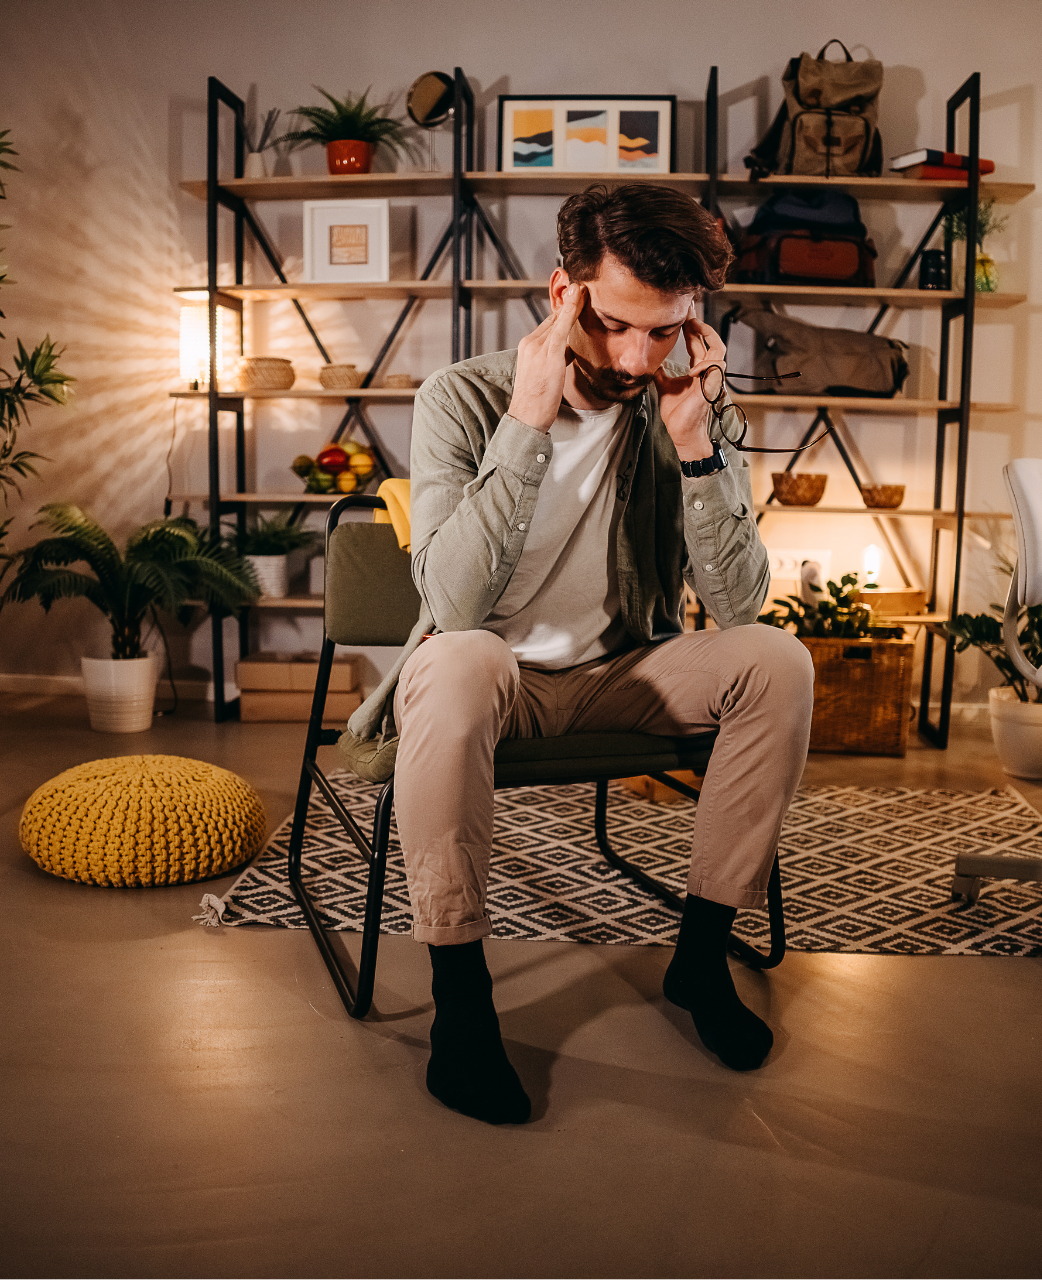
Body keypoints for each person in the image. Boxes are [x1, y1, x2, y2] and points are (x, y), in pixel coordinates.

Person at [351, 183, 814, 1124]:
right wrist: (526, 425)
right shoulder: (464, 397)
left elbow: (738, 605)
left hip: (621, 673)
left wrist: (696, 447)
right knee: (456, 657)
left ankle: (698, 958)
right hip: (494, 681)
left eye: (667, 330)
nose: (639, 359)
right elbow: (453, 603)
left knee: (777, 660)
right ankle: (462, 1004)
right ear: (563, 293)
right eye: (612, 327)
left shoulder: (686, 398)